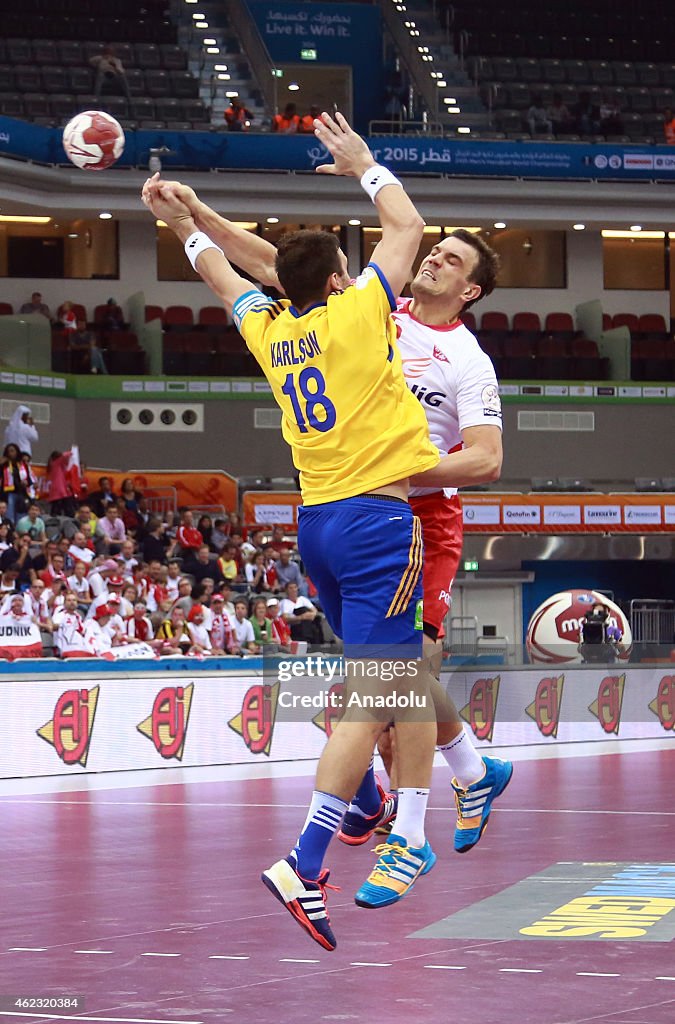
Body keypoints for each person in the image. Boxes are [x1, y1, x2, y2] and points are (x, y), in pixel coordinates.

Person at [142, 110, 443, 949]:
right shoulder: (358, 316)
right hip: (377, 521)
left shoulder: (272, 330)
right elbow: (408, 226)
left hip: (313, 526)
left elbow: (222, 275)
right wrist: (364, 166)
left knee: (370, 684)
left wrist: (183, 222)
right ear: (344, 279)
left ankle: (365, 811)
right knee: (383, 692)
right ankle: (307, 855)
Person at [146, 176, 511, 856]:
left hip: (416, 518)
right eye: (434, 251)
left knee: (401, 675)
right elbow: (268, 263)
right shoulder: (373, 303)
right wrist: (197, 212)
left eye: (452, 261)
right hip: (354, 505)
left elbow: (485, 461)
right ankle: (462, 774)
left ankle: (406, 830)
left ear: (470, 291)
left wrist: (396, 469)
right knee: (381, 680)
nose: (432, 258)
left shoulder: (467, 359)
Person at [1, 443, 33, 522]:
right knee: (10, 516)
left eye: (12, 451)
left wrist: (26, 482)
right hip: (9, 493)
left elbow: (29, 479)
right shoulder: (4, 465)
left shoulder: (22, 465)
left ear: (17, 452)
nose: (10, 453)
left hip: (21, 493)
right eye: (9, 451)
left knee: (21, 516)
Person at [45, 450, 77, 517]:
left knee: (56, 509)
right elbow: (65, 456)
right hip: (60, 491)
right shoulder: (57, 463)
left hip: (58, 490)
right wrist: (73, 451)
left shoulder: (54, 465)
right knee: (66, 510)